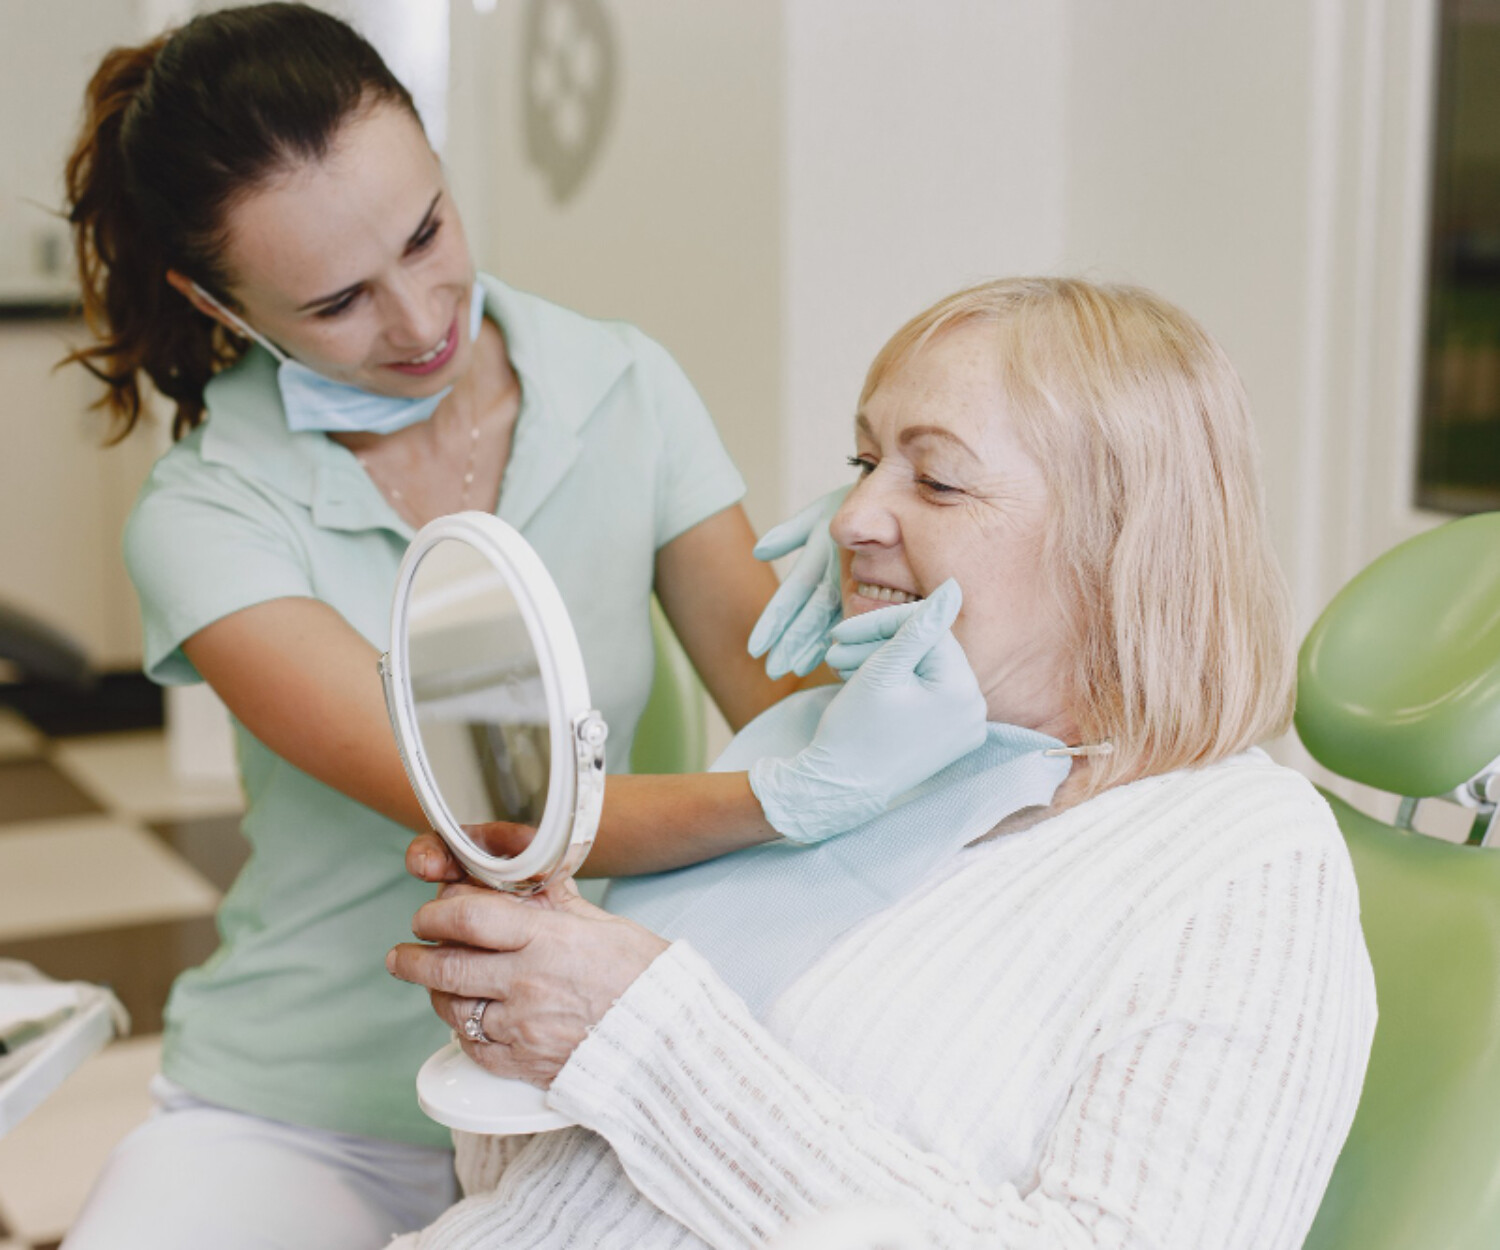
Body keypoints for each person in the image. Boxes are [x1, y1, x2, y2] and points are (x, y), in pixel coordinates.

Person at [57, 6, 985, 1247]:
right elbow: (491, 806)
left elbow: (783, 690)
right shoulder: (211, 510)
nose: (419, 316)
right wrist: (795, 793)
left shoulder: (622, 386)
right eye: (337, 300)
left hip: (594, 1076)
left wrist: (887, 576)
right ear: (212, 301)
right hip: (318, 1110)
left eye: (427, 230)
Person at [387, 277, 1379, 1249]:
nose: (850, 518)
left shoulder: (1246, 865)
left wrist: (631, 1027)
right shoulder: (848, 750)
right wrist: (526, 993)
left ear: (1121, 543)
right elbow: (533, 1190)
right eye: (862, 462)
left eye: (937, 478)